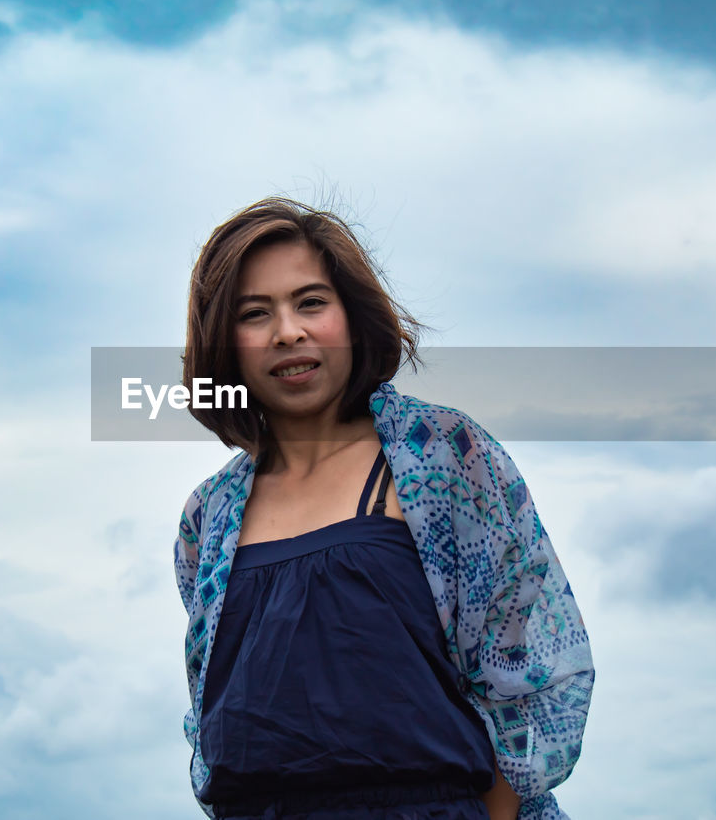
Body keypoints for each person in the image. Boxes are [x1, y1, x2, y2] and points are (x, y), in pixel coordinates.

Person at [174, 197, 594, 820]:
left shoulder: (446, 458)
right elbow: (216, 726)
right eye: (255, 314)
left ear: (352, 316)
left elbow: (531, 677)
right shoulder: (207, 517)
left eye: (311, 302)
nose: (288, 331)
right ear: (224, 345)